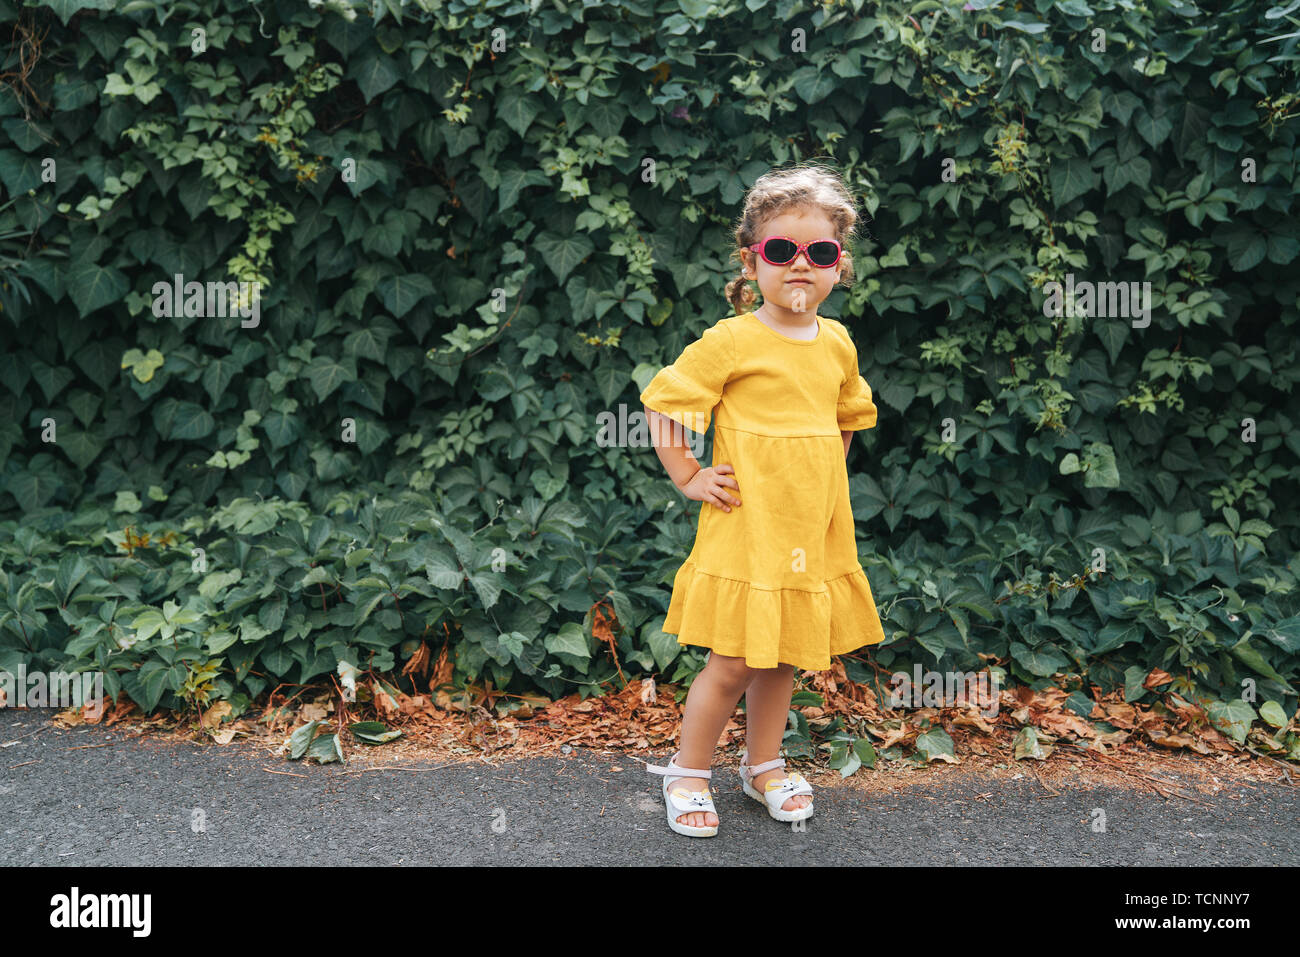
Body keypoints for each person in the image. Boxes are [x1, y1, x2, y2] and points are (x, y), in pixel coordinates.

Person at [638, 162, 886, 837]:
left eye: (820, 252)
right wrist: (688, 475)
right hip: (747, 527)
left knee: (782, 655)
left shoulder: (837, 342)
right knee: (733, 660)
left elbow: (845, 418)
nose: (800, 265)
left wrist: (821, 481)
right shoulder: (733, 340)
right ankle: (688, 771)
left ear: (840, 264)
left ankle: (763, 764)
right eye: (781, 250)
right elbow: (664, 404)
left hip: (808, 530)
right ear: (753, 261)